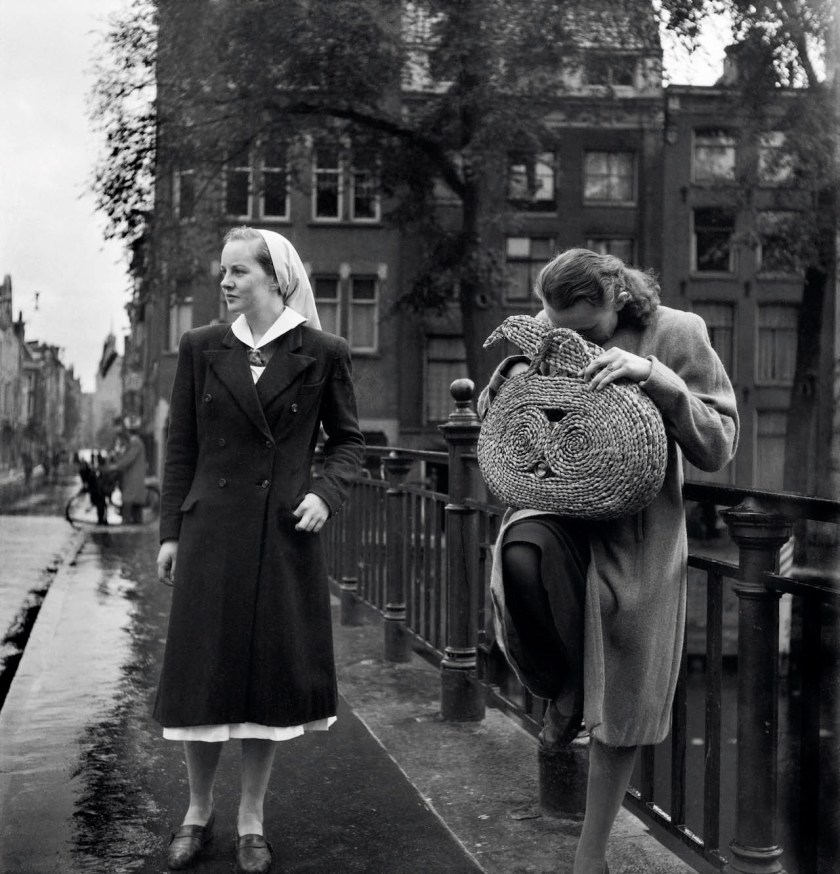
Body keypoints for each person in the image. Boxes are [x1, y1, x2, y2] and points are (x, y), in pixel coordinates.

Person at [478, 248, 738, 874]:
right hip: (556, 510)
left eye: (586, 327)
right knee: (519, 558)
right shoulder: (550, 327)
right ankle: (564, 692)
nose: (571, 335)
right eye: (553, 320)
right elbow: (501, 419)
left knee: (622, 687)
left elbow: (720, 446)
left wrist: (655, 377)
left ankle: (590, 855)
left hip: (637, 536)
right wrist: (509, 378)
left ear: (618, 296)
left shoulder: (677, 332)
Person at [154, 227, 364, 873]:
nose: (225, 281)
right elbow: (182, 445)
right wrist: (170, 532)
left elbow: (349, 442)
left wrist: (325, 493)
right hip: (211, 531)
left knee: (265, 684)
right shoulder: (201, 346)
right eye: (224, 270)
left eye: (238, 271)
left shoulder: (322, 351)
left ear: (276, 279)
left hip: (280, 535)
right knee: (202, 677)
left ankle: (251, 818)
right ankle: (197, 811)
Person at [106, 417, 147, 524]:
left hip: (134, 476)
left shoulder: (135, 442)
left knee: (129, 499)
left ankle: (127, 521)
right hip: (130, 475)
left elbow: (128, 458)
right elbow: (124, 455)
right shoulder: (132, 442)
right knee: (134, 501)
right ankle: (135, 522)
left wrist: (116, 466)